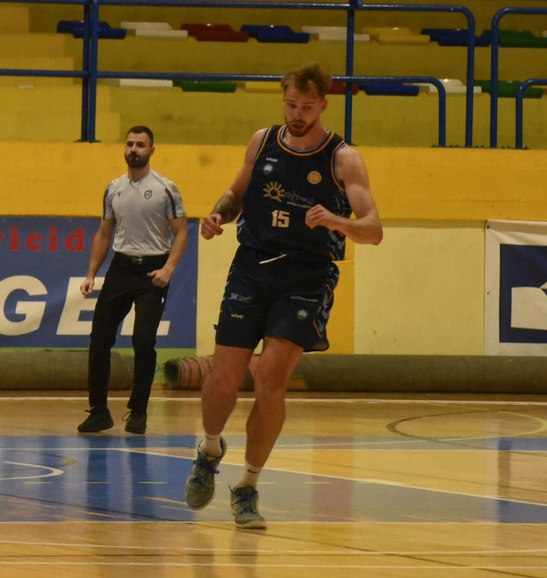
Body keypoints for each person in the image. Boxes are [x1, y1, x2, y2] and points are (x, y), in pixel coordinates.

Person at [187, 64, 382, 529]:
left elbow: (373, 230)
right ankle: (209, 449)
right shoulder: (262, 141)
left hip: (306, 277)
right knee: (224, 375)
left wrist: (336, 221)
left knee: (271, 381)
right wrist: (216, 217)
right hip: (252, 267)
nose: (297, 114)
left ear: (324, 106)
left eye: (307, 107)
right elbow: (236, 194)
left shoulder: (343, 159)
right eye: (291, 105)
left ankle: (248, 486)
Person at [78, 125, 188, 435]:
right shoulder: (113, 188)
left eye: (140, 145)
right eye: (129, 144)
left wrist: (168, 269)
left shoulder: (166, 188)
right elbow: (104, 234)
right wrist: (91, 274)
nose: (134, 149)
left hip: (152, 271)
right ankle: (98, 412)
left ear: (151, 150)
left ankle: (138, 411)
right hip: (121, 268)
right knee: (100, 338)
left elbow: (181, 233)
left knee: (143, 340)